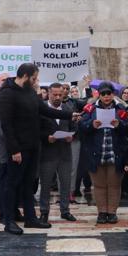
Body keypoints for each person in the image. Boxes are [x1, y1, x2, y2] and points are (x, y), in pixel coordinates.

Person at [0, 63, 78, 235]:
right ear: (25, 76)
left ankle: (30, 218)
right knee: (12, 184)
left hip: (33, 147)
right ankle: (8, 220)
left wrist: (71, 115)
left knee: (29, 184)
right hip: (18, 149)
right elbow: (6, 124)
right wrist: (14, 150)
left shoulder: (29, 92)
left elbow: (45, 110)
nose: (37, 81)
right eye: (35, 78)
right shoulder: (7, 93)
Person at [80, 81, 128, 225]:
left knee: (114, 185)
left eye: (109, 93)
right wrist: (91, 125)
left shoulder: (120, 109)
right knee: (99, 185)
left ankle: (112, 212)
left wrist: (119, 125)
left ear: (113, 94)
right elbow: (81, 126)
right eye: (103, 94)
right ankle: (102, 212)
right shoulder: (90, 109)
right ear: (99, 95)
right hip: (96, 153)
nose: (106, 96)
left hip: (115, 152)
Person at [38, 83, 77, 222]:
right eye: (54, 95)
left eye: (60, 95)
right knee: (46, 184)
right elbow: (36, 129)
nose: (57, 97)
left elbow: (74, 127)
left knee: (65, 183)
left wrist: (71, 136)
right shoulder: (41, 108)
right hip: (47, 153)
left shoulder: (68, 109)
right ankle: (44, 212)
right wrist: (46, 137)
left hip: (65, 152)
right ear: (48, 93)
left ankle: (65, 211)